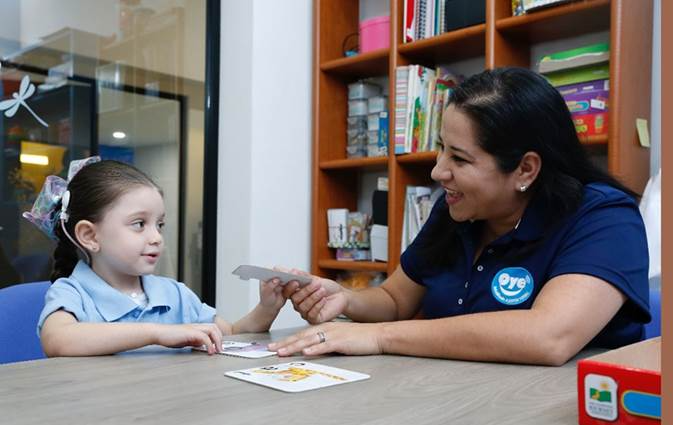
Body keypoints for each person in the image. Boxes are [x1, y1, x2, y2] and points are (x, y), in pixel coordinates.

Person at [269, 67, 651, 366]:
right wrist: (346, 300)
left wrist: (381, 336)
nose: (438, 171)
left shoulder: (605, 218)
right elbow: (394, 298)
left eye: (460, 159)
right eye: (441, 148)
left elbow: (548, 336)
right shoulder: (457, 208)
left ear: (525, 169)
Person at [25, 158, 286, 356]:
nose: (157, 237)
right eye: (139, 224)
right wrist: (157, 333)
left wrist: (267, 308)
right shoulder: (72, 292)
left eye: (159, 224)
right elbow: (58, 340)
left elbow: (231, 334)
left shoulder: (175, 294)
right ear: (90, 236)